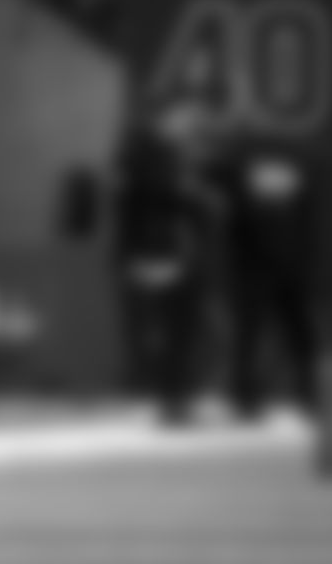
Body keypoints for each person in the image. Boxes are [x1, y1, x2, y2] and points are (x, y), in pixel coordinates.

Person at [115, 102, 224, 425]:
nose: (189, 126)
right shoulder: (151, 154)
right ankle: (173, 400)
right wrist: (200, 200)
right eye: (183, 118)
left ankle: (176, 398)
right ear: (166, 118)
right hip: (162, 253)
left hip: (168, 251)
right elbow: (163, 196)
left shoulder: (156, 153)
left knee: (178, 330)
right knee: (175, 330)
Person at [220, 143, 321, 422]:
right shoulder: (239, 176)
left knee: (299, 335)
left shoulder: (295, 177)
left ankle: (308, 395)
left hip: (287, 269)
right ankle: (246, 399)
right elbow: (238, 222)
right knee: (252, 336)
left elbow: (307, 223)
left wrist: (304, 261)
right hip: (257, 269)